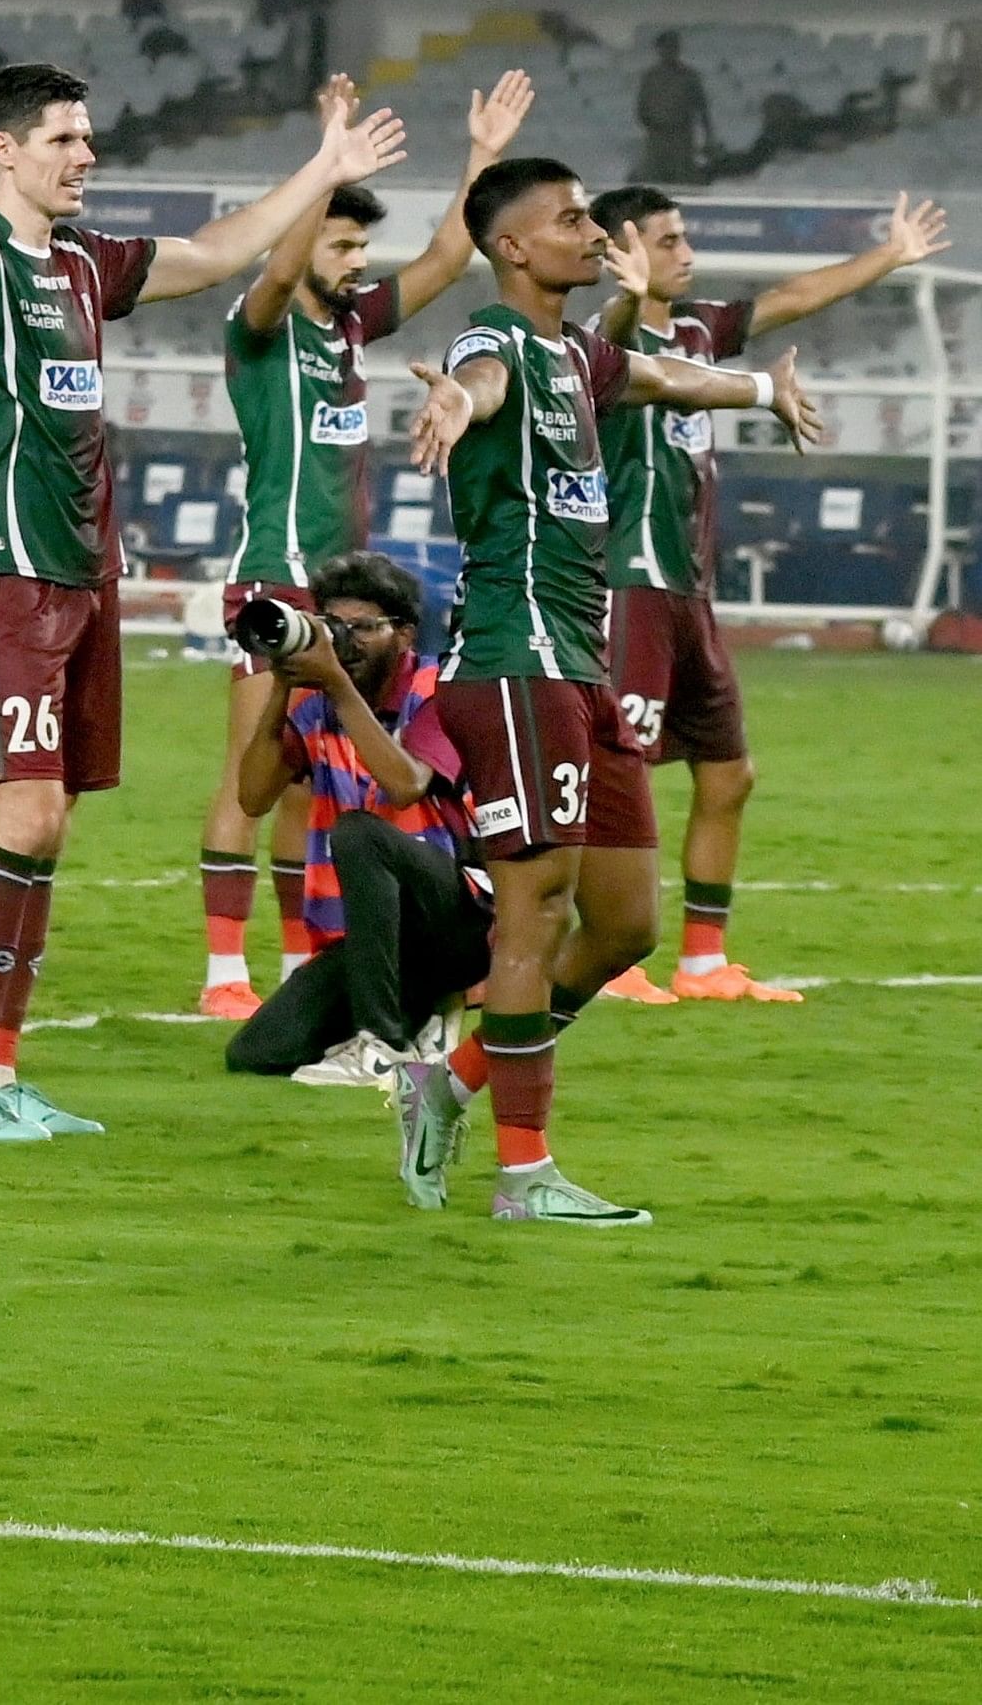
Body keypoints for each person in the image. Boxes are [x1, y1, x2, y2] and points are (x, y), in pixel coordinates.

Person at [0, 51, 403, 1144]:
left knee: (52, 828)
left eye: (89, 136)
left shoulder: (90, 261)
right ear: (4, 151)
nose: (86, 153)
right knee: (27, 813)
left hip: (88, 571)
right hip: (3, 564)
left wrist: (320, 166)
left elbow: (217, 251)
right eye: (63, 138)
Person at [389, 156, 822, 1225]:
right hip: (514, 661)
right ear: (513, 247)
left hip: (578, 665)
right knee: (532, 912)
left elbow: (675, 379)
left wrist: (765, 389)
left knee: (624, 926)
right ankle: (524, 1177)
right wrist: (454, 394)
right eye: (572, 218)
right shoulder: (495, 344)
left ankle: (450, 1082)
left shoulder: (584, 354)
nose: (594, 232)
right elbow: (478, 378)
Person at [194, 71, 521, 1016]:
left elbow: (445, 256)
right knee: (249, 776)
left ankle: (301, 962)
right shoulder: (257, 331)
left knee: (309, 788)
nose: (356, 262)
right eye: (342, 244)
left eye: (359, 245)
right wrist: (323, 162)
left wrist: (482, 155)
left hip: (343, 598)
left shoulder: (346, 329)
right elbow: (272, 275)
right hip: (274, 581)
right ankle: (222, 972)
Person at [589, 186, 946, 1002]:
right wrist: (621, 293)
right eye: (669, 240)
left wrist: (886, 256)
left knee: (728, 773)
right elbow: (610, 342)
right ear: (624, 248)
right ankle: (610, 958)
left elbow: (787, 300)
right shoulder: (593, 345)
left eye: (685, 239)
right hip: (630, 583)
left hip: (689, 592)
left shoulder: (695, 331)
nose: (687, 253)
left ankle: (703, 962)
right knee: (622, 774)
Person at [218, 551, 489, 1086]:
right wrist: (282, 682)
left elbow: (407, 784)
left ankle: (382, 1046)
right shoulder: (315, 706)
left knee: (359, 833)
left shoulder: (439, 692)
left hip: (459, 921)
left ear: (405, 635)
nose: (347, 642)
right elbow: (252, 798)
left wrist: (337, 685)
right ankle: (426, 1022)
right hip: (373, 939)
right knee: (258, 1051)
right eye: (334, 628)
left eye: (363, 628)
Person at [631, 31, 713, 186]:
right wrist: (652, 125)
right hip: (656, 137)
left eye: (673, 47)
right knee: (653, 181)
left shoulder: (689, 77)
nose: (670, 51)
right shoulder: (650, 77)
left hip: (681, 137)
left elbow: (703, 109)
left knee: (682, 180)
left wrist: (708, 137)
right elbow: (642, 107)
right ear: (659, 50)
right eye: (666, 47)